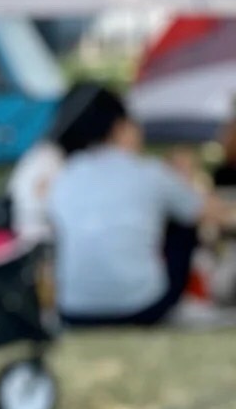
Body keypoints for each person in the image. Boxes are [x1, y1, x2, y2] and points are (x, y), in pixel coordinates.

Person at [48, 82, 223, 327]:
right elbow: (210, 213)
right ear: (120, 127)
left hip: (72, 309)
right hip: (141, 307)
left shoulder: (66, 175)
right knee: (183, 220)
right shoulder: (150, 172)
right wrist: (184, 181)